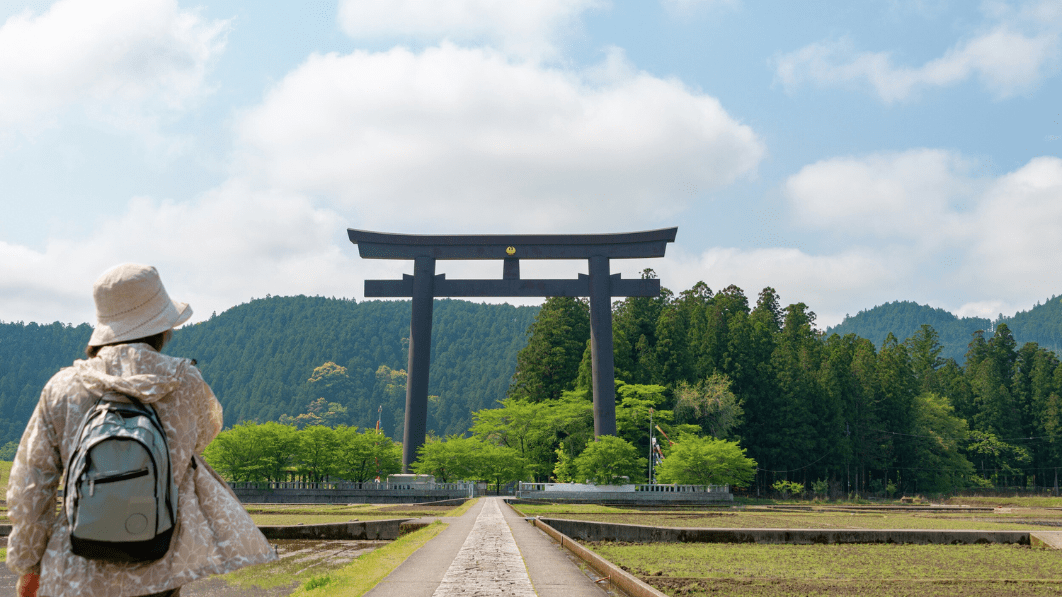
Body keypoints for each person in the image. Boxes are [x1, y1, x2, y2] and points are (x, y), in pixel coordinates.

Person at [6, 264, 277, 597]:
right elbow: (203, 437)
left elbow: (30, 488)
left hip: (76, 570)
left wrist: (28, 566)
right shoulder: (185, 382)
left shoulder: (63, 388)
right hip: (159, 565)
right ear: (161, 327)